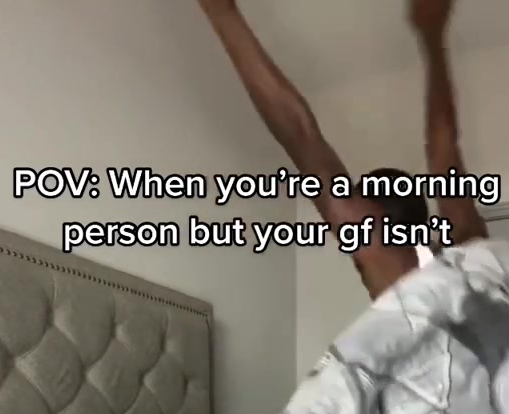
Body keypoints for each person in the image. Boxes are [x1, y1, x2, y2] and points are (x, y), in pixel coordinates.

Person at [198, 0, 487, 298]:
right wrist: (432, 33)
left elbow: (301, 135)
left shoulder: (391, 266)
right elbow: (444, 147)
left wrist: (221, 13)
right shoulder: (474, 258)